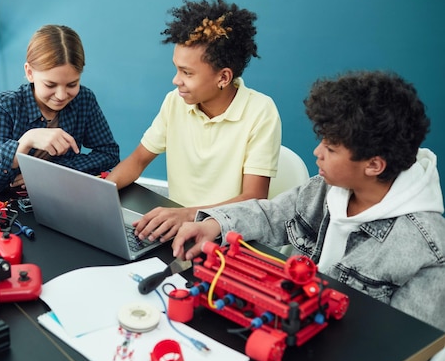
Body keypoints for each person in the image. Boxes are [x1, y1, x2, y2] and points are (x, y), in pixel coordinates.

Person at [172, 70, 445, 332]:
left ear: (373, 165)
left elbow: (408, 347)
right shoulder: (328, 188)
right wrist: (215, 225)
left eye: (331, 148)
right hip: (296, 323)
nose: (317, 152)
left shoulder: (426, 249)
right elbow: (272, 214)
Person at [106, 0, 281, 243]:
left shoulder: (261, 111)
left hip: (225, 234)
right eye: (177, 68)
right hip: (176, 226)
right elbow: (137, 160)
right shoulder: (174, 102)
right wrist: (102, 193)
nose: (176, 80)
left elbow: (254, 198)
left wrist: (190, 215)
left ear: (223, 77)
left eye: (187, 73)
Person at [0, 24, 120, 194]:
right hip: (8, 201)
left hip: (58, 193)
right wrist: (26, 141)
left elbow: (109, 153)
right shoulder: (4, 105)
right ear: (30, 72)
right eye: (50, 84)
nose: (61, 95)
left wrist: (50, 173)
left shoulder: (84, 99)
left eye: (72, 84)